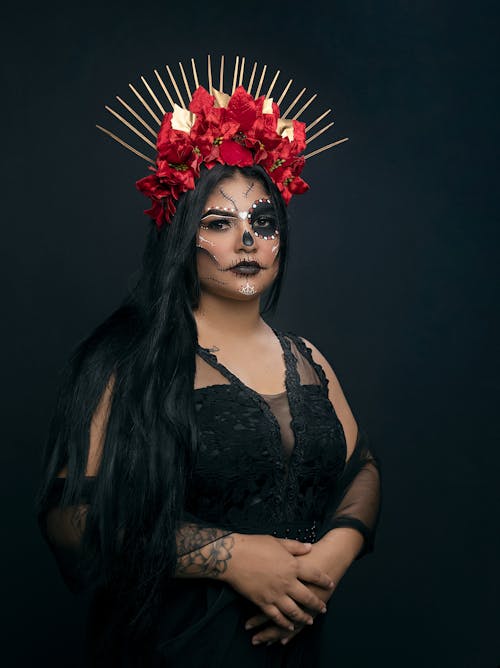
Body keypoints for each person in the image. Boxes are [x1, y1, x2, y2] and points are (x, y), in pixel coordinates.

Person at [36, 56, 381, 667]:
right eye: (220, 223)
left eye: (264, 223)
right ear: (181, 234)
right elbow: (71, 517)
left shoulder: (307, 359)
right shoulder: (128, 358)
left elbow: (360, 470)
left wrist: (336, 550)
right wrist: (232, 556)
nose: (248, 240)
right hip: (170, 650)